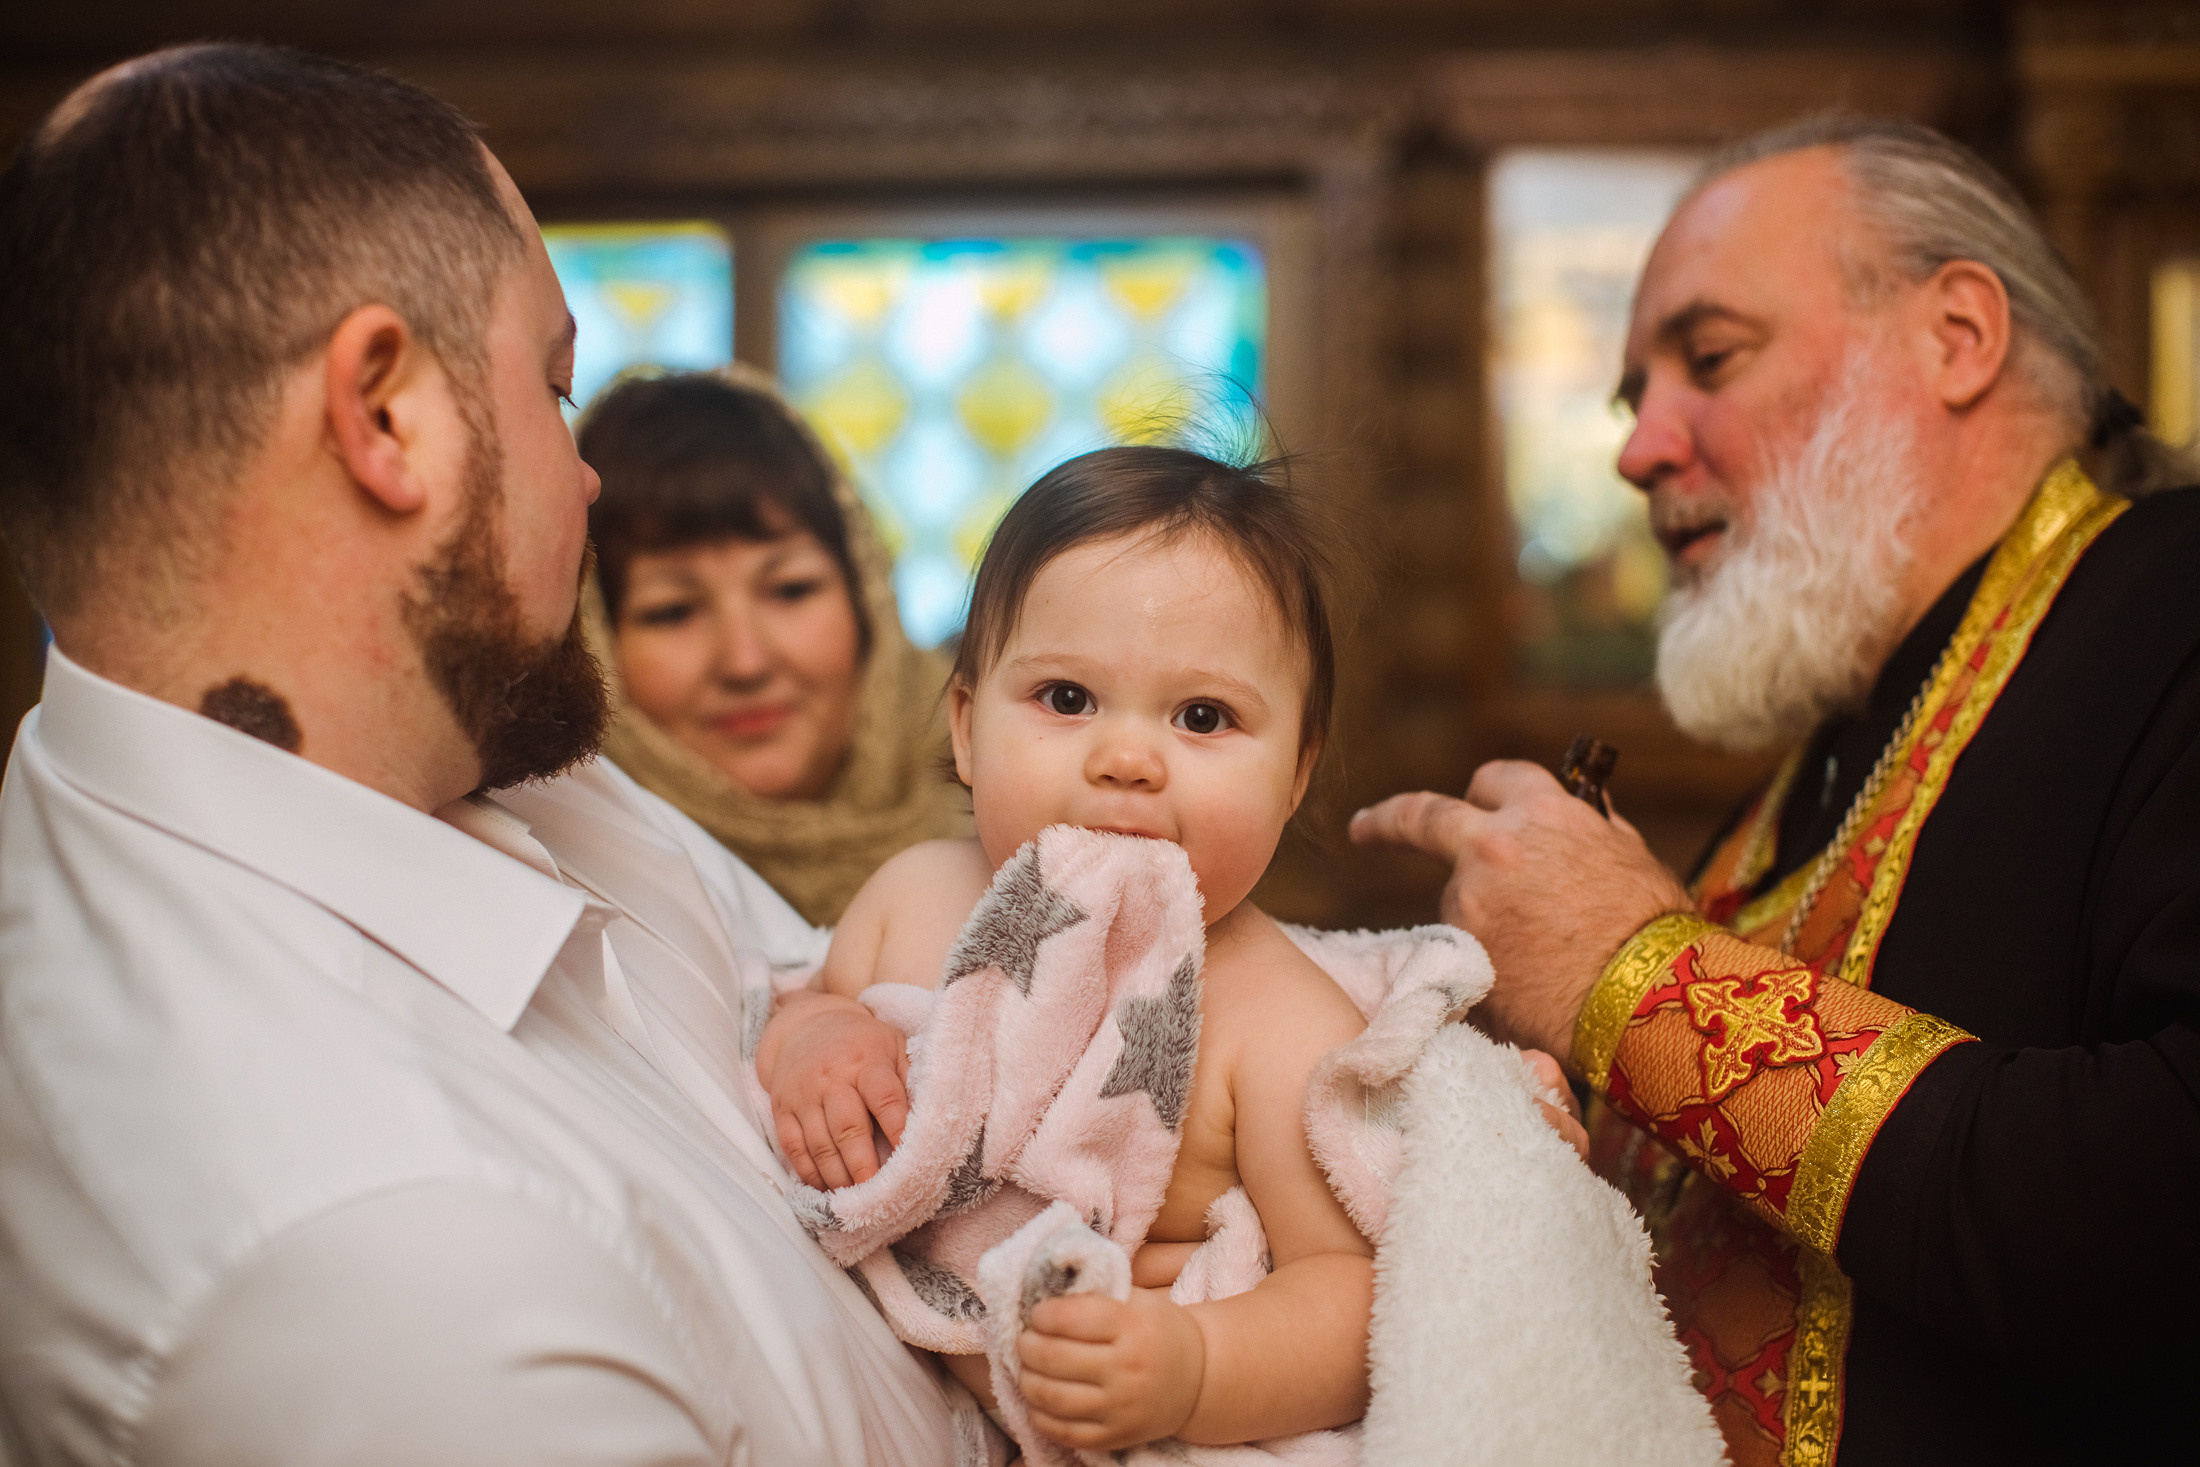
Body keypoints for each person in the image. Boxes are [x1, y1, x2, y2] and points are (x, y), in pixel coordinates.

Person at [0, 44, 970, 1466]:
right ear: (386, 414)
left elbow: (809, 984)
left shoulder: (478, 738)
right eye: (558, 386)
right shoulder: (388, 1276)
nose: (585, 477)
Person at [1352, 117, 2200, 1465]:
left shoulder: (2169, 606)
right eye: (1636, 396)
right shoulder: (1817, 754)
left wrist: (1633, 973)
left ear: (1958, 335)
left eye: (1712, 357)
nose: (1640, 449)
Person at [759, 447, 1377, 1453]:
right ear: (966, 728)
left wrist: (1194, 1368)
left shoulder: (1282, 1021)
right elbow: (793, 998)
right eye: (1066, 699)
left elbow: (1351, 1296)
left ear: (1296, 772)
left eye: (1203, 717)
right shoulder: (912, 895)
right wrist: (818, 1040)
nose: (1126, 759)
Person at [579, 367, 969, 925]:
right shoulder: (570, 892)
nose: (745, 661)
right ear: (592, 640)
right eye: (672, 612)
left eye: (790, 590)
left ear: (866, 596)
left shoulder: (1027, 801)